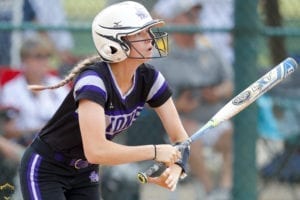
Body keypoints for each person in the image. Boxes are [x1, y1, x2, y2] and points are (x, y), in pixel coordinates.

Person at [19, 1, 190, 200]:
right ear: (114, 42)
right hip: (46, 168)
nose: (150, 39)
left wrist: (176, 168)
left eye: (149, 32)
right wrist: (154, 151)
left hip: (84, 172)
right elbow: (96, 150)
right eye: (140, 34)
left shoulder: (150, 79)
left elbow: (181, 139)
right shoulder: (94, 81)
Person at [151, 0, 234, 199]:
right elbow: (149, 95)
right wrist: (178, 104)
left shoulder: (209, 49)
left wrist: (218, 92)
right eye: (189, 15)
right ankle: (209, 192)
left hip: (213, 117)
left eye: (197, 15)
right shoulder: (163, 54)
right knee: (189, 137)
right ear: (175, 20)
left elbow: (230, 82)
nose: (195, 20)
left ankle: (225, 189)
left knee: (232, 134)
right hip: (182, 122)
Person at [0, 36, 70, 147]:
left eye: (46, 57)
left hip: (58, 143)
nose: (44, 62)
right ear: (24, 60)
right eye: (38, 57)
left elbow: (72, 119)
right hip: (25, 146)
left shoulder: (59, 85)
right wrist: (40, 131)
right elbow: (9, 132)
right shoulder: (11, 89)